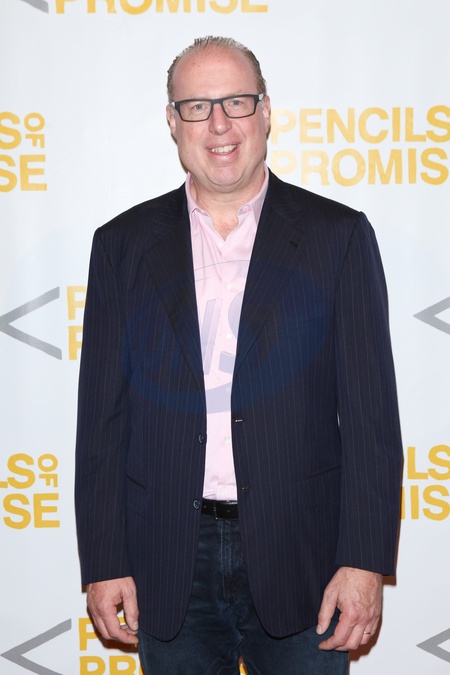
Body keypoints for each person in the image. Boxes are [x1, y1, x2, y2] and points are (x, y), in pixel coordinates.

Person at [75, 36, 403, 674]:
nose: (219, 124)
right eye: (197, 106)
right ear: (173, 122)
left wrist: (364, 561)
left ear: (266, 111)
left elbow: (371, 418)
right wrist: (105, 559)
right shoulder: (121, 246)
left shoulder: (339, 237)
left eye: (236, 102)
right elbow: (101, 422)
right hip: (168, 558)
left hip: (305, 555)